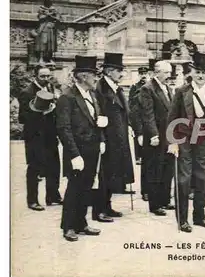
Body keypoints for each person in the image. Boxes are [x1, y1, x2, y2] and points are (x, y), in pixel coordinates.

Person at [167, 53, 205, 233]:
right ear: (191, 72)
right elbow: (172, 118)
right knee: (183, 180)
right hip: (183, 139)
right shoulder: (181, 92)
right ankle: (182, 220)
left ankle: (199, 216)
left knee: (202, 179)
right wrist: (173, 142)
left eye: (204, 72)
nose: (200, 75)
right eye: (197, 72)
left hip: (204, 140)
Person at [56, 55, 106, 242]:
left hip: (92, 149)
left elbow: (97, 121)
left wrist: (101, 138)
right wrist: (74, 154)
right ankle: (68, 226)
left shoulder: (91, 95)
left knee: (87, 187)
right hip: (77, 151)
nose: (96, 79)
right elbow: (64, 128)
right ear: (84, 76)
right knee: (74, 187)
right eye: (94, 75)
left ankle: (81, 222)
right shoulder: (67, 98)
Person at [93, 53, 134, 223]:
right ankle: (99, 210)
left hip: (119, 139)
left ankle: (107, 205)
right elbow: (99, 115)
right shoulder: (101, 89)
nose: (122, 74)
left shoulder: (115, 88)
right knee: (104, 175)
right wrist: (102, 139)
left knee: (113, 174)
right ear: (109, 71)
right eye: (119, 70)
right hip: (108, 139)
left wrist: (129, 125)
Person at [18, 66, 62, 210]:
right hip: (35, 136)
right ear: (35, 76)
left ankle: (52, 196)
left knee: (54, 165)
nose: (46, 79)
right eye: (42, 76)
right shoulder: (27, 92)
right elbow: (22, 117)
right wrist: (41, 112)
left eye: (48, 76)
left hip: (50, 134)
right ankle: (32, 200)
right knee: (35, 167)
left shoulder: (51, 89)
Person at [140, 60, 177, 216]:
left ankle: (165, 200)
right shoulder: (147, 89)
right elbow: (147, 114)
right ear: (157, 72)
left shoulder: (168, 88)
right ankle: (155, 204)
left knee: (167, 168)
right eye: (166, 72)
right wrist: (153, 134)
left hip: (168, 134)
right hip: (156, 136)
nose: (169, 75)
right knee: (155, 169)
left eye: (169, 72)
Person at [129, 60, 155, 202]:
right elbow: (135, 112)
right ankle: (146, 190)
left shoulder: (158, 89)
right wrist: (138, 132)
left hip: (158, 132)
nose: (147, 76)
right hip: (146, 131)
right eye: (145, 74)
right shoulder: (140, 89)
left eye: (149, 73)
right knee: (147, 162)